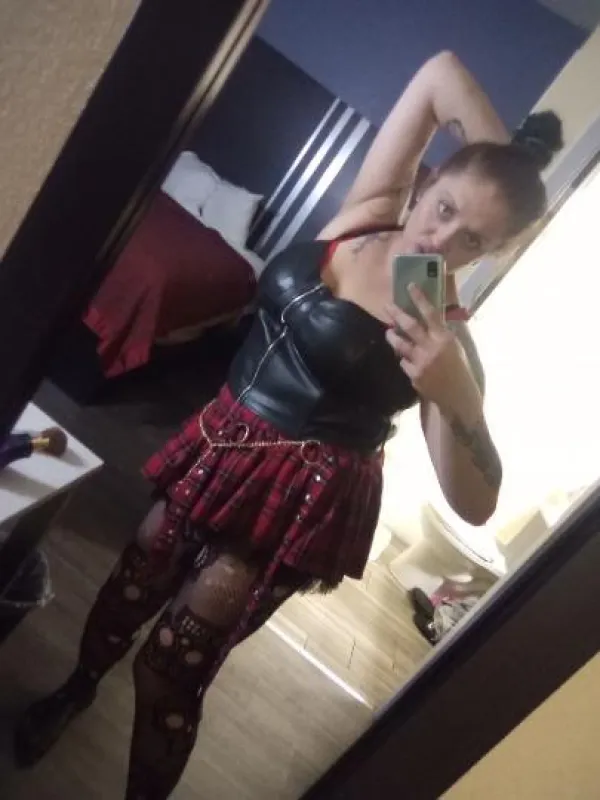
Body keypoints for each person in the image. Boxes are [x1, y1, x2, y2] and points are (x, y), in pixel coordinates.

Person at [14, 51, 563, 798]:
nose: (442, 240)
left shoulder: (442, 332)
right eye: (445, 209)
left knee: (170, 669)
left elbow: (476, 503)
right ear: (428, 183)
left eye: (473, 240)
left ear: (491, 253)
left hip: (293, 504)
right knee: (127, 590)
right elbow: (439, 75)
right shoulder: (369, 214)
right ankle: (75, 690)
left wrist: (458, 398)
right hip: (220, 442)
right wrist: (508, 167)